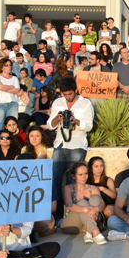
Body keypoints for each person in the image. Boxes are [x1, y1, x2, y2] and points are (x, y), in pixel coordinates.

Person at [47, 77, 94, 220]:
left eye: (70, 94)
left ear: (75, 90)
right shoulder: (57, 102)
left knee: (71, 181)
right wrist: (58, 118)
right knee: (55, 180)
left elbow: (89, 126)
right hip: (60, 144)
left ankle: (71, 214)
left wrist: (75, 120)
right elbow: (50, 125)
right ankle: (57, 215)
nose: (67, 97)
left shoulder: (85, 103)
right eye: (64, 94)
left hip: (77, 145)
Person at [61, 162, 107, 244]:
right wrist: (84, 209)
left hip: (88, 222)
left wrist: (96, 209)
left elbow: (102, 204)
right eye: (80, 174)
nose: (84, 177)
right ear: (73, 176)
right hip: (72, 225)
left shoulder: (92, 188)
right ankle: (95, 231)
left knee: (96, 199)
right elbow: (69, 205)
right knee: (82, 202)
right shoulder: (68, 188)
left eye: (86, 174)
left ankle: (90, 231)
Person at [0, 58, 19, 144]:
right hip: (0, 103)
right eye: (6, 65)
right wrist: (11, 87)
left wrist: (5, 88)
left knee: (12, 126)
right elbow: (0, 87)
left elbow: (17, 90)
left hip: (12, 103)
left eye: (10, 65)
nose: (9, 67)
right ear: (2, 67)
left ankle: (12, 145)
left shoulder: (14, 78)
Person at [112, 47, 129, 112]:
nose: (127, 54)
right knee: (120, 113)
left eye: (128, 52)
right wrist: (124, 88)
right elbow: (115, 79)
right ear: (120, 55)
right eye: (124, 53)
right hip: (120, 93)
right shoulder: (116, 66)